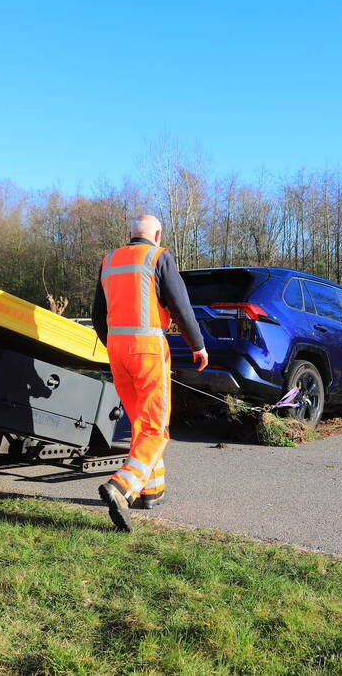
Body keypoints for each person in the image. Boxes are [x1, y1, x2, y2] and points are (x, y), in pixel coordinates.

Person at [91, 214, 208, 532]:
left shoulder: (110, 260)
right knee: (156, 429)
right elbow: (181, 307)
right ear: (157, 234)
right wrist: (197, 345)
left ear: (130, 233)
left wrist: (113, 343)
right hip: (148, 349)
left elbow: (97, 314)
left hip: (117, 349)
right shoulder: (159, 257)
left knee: (140, 423)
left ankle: (151, 491)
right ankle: (122, 487)